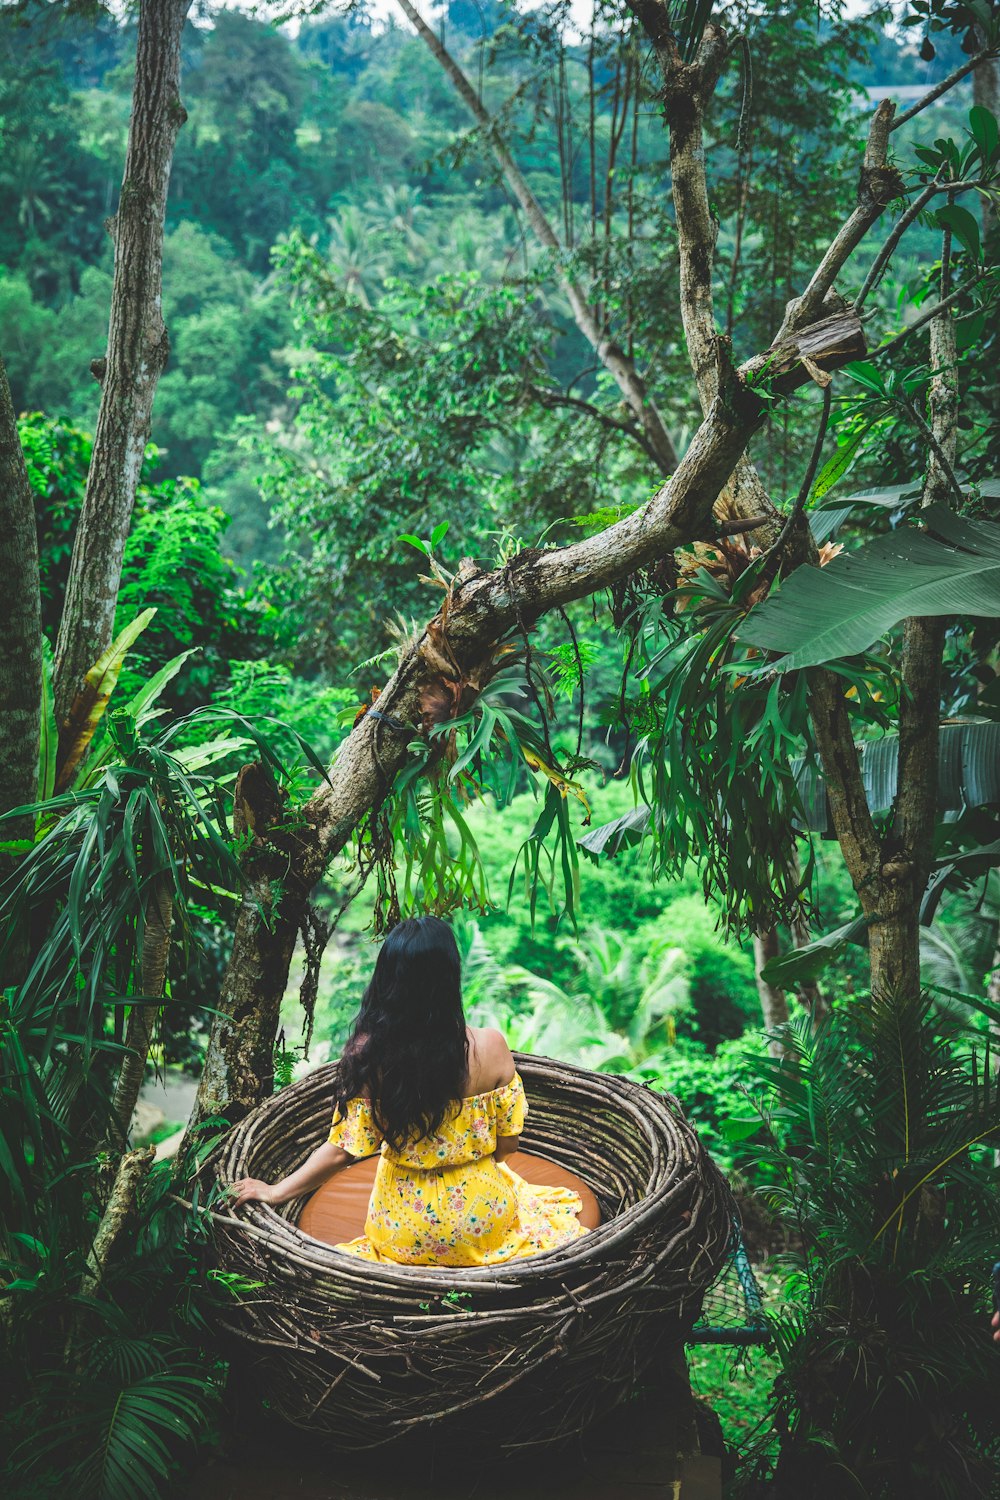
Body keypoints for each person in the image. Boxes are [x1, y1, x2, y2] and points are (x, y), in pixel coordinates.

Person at [227, 915, 590, 1267]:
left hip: (402, 1230)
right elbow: (506, 1149)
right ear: (450, 977)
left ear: (387, 979)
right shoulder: (492, 1047)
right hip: (483, 1224)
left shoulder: (369, 1056)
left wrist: (274, 1191)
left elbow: (341, 1153)